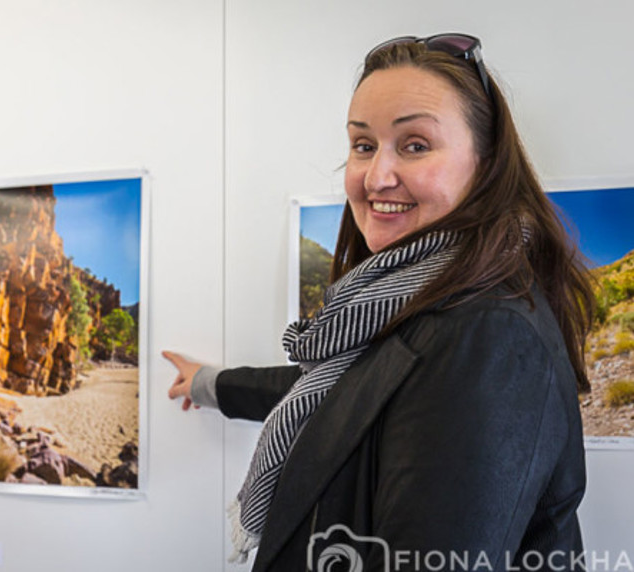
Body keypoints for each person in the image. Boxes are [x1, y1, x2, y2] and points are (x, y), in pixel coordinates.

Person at [165, 33, 594, 572]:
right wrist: (208, 383)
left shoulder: (488, 333)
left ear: (485, 165)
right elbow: (345, 391)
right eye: (363, 145)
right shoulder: (413, 301)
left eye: (415, 145)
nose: (376, 176)